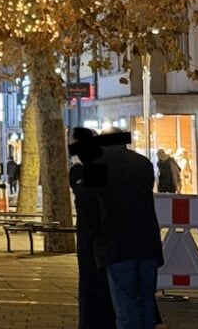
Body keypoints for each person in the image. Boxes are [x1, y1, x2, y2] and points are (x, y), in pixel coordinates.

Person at [86, 129, 164, 329]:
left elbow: (92, 208)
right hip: (147, 241)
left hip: (116, 244)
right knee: (146, 301)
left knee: (125, 305)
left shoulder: (96, 166)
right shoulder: (143, 163)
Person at [69, 128, 117, 329]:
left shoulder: (85, 170)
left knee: (93, 284)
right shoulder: (92, 168)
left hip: (94, 238)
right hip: (99, 237)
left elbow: (90, 204)